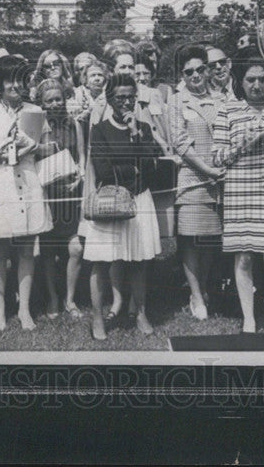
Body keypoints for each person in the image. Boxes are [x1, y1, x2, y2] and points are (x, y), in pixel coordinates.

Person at [212, 47, 264, 333]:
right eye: (250, 80)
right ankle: (249, 318)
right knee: (244, 255)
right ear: (240, 81)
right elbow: (217, 156)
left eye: (261, 79)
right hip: (240, 189)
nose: (257, 85)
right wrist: (242, 144)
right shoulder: (228, 109)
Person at [80, 73, 164, 340]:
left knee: (140, 261)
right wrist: (135, 163)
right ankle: (97, 319)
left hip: (140, 200)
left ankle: (140, 313)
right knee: (101, 262)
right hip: (111, 200)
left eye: (131, 97)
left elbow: (153, 168)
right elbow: (104, 169)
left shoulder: (143, 128)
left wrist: (136, 136)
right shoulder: (99, 129)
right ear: (109, 99)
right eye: (120, 98)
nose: (126, 102)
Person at [0, 55, 51, 330]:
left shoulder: (34, 110)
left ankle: (25, 310)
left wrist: (30, 147)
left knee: (27, 250)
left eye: (20, 79)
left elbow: (48, 147)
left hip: (28, 180)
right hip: (1, 182)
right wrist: (5, 152)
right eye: (9, 80)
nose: (15, 85)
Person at [167, 45, 226, 320]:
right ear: (182, 74)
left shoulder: (221, 98)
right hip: (192, 179)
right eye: (189, 71)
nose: (195, 75)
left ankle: (203, 287)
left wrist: (222, 168)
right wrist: (208, 171)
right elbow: (180, 143)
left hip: (221, 180)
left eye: (200, 69)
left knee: (210, 238)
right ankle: (196, 294)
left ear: (207, 69)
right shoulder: (177, 101)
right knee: (191, 239)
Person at [35, 78, 86, 319]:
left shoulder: (73, 123)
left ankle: (70, 299)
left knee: (75, 248)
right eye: (49, 100)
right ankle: (52, 298)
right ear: (41, 103)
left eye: (59, 99)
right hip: (46, 195)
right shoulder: (35, 124)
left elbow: (83, 156)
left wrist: (80, 178)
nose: (55, 104)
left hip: (72, 194)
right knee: (47, 251)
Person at [68, 59, 106, 123]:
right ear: (86, 79)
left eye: (100, 75)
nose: (97, 78)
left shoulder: (108, 94)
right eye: (93, 75)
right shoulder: (77, 94)